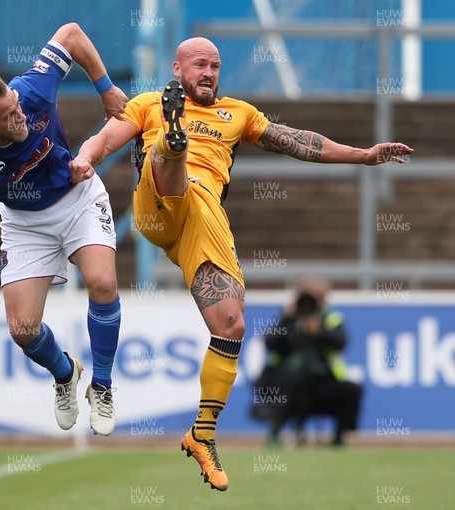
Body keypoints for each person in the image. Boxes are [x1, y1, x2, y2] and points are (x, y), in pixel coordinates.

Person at [70, 37, 412, 490]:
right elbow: (105, 138)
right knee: (169, 155)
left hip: (202, 221)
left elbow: (297, 142)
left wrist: (363, 155)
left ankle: (202, 436)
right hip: (156, 207)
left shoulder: (239, 114)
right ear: (177, 69)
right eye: (198, 65)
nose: (208, 72)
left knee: (231, 324)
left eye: (214, 65)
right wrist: (84, 160)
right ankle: (173, 144)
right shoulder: (147, 103)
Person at [0, 22, 129, 437]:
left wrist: (106, 88)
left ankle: (102, 385)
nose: (20, 114)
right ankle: (65, 374)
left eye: (17, 105)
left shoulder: (32, 88)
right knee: (23, 330)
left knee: (102, 283)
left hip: (75, 196)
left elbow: (72, 33)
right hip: (25, 223)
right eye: (8, 116)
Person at [253, 279, 362, 448]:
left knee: (351, 390)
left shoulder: (330, 318)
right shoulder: (288, 318)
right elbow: (270, 343)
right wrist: (288, 320)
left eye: (318, 297)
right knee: (291, 381)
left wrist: (320, 332)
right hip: (287, 383)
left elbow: (341, 342)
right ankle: (274, 433)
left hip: (320, 383)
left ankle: (339, 437)